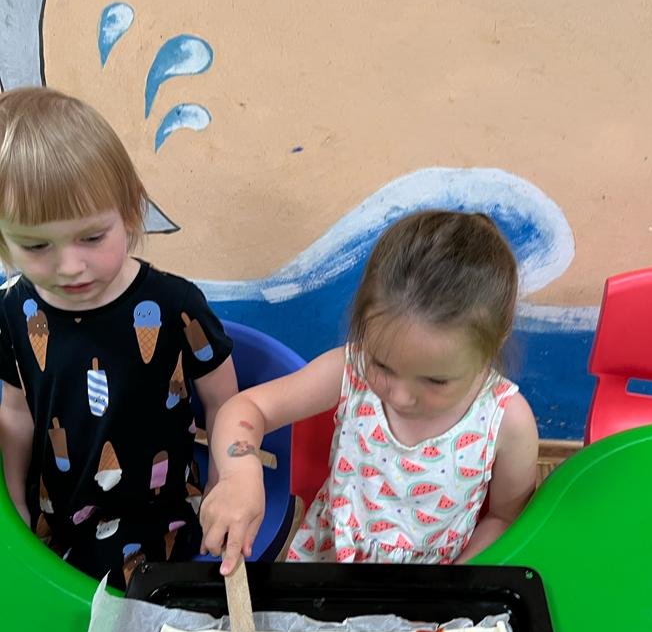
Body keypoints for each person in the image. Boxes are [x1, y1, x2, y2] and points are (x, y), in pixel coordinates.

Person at [202, 209, 539, 574]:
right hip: (327, 567)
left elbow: (506, 518)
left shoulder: (509, 421)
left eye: (436, 381)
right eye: (383, 365)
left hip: (433, 587)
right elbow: (247, 408)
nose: (399, 397)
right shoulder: (350, 368)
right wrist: (239, 474)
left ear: (493, 345)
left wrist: (455, 580)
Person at [0, 87, 238, 588]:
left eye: (92, 237)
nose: (70, 266)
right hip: (54, 520)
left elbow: (223, 402)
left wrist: (225, 487)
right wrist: (15, 503)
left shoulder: (176, 304)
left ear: (130, 214)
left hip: (157, 517)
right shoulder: (12, 311)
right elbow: (16, 412)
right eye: (36, 245)